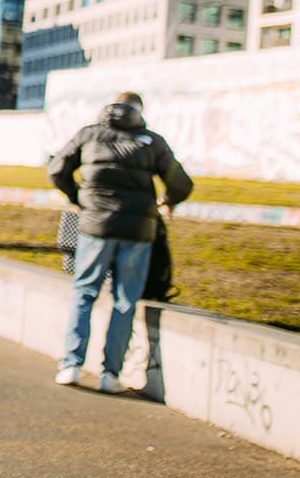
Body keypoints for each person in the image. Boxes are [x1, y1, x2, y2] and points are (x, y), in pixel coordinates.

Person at [47, 91, 192, 393]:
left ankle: (71, 365)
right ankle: (110, 374)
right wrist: (167, 200)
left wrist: (79, 197)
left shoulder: (89, 134)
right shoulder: (152, 141)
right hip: (138, 230)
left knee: (85, 292)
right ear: (139, 111)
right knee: (125, 301)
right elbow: (181, 183)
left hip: (95, 226)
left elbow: (57, 169)